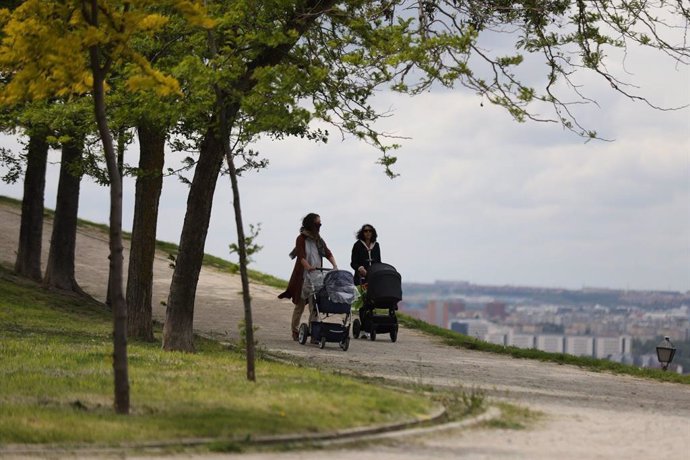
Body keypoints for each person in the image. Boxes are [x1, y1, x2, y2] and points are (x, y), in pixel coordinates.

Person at [278, 213, 337, 341]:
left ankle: (313, 333)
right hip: (303, 278)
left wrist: (334, 265)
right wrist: (308, 266)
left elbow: (327, 252)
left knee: (314, 307)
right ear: (311, 224)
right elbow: (301, 256)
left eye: (320, 224)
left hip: (317, 278)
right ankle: (295, 330)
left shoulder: (319, 240)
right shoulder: (301, 239)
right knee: (299, 306)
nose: (319, 226)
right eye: (317, 223)